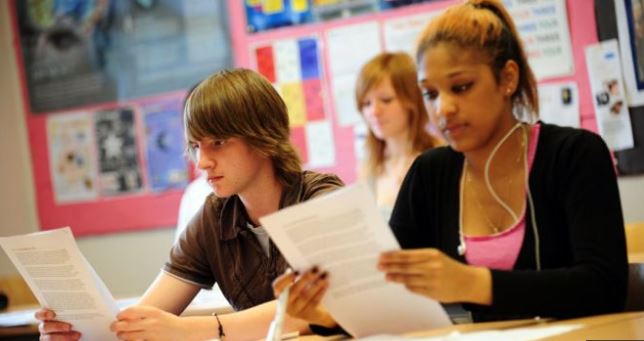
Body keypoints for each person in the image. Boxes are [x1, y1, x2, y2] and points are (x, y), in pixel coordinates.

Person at [274, 0, 628, 333]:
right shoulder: (431, 172)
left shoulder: (573, 154)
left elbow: (603, 286)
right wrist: (325, 315)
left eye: (461, 87)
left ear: (507, 78)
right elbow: (390, 296)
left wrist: (472, 282)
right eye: (430, 93)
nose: (443, 109)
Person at [35, 68, 344, 341]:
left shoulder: (320, 198)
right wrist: (82, 335)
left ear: (263, 137)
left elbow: (323, 306)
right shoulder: (214, 216)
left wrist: (193, 330)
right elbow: (146, 316)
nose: (202, 162)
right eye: (195, 146)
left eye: (218, 143)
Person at [356, 52, 440, 218]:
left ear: (412, 101)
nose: (374, 111)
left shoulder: (438, 158)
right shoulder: (370, 166)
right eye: (366, 103)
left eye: (386, 100)